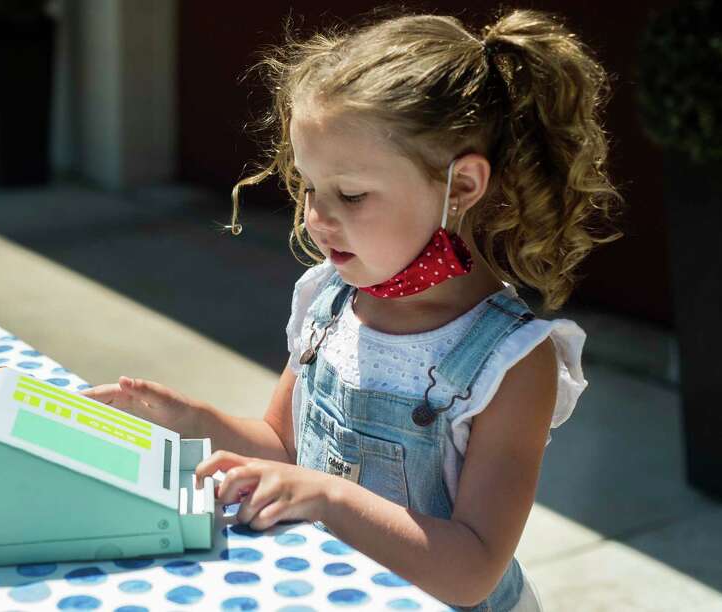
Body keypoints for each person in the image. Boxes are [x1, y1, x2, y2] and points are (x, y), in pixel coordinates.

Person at [81, 7, 623, 611]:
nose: (316, 217)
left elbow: (471, 569)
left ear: (462, 187)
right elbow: (282, 448)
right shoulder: (330, 303)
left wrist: (328, 498)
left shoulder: (511, 362)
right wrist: (190, 419)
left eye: (352, 194)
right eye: (309, 186)